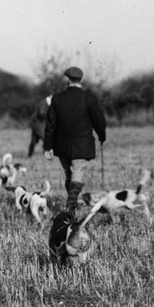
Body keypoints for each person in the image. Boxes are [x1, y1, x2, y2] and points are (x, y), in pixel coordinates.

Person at [44, 67, 106, 213]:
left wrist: (48, 147)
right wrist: (102, 136)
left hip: (62, 146)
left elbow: (50, 125)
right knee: (77, 173)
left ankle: (71, 204)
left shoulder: (57, 99)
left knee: (69, 174)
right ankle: (71, 205)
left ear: (68, 80)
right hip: (82, 145)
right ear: (80, 80)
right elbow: (99, 121)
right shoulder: (88, 98)